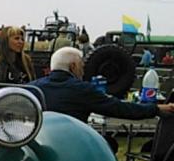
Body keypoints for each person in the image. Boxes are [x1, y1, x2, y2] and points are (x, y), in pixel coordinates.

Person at [31, 47, 174, 123]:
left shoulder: (32, 88)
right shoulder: (82, 90)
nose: (83, 70)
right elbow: (119, 108)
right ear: (73, 66)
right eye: (81, 65)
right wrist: (155, 109)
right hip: (72, 146)